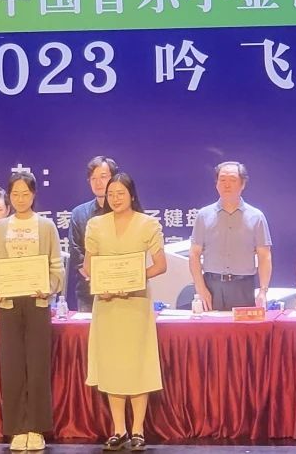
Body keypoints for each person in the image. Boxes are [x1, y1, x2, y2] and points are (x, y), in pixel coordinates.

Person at [84, 173, 166, 451]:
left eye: (120, 193)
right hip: (107, 305)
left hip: (136, 304)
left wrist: (134, 280)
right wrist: (101, 285)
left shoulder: (148, 224)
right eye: (111, 194)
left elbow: (160, 265)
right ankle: (118, 429)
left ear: (131, 194)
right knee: (112, 366)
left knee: (137, 364)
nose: (115, 199)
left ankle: (138, 430)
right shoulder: (96, 224)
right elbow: (89, 265)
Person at [0, 172, 64, 451]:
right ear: (9, 197)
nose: (20, 199)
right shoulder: (0, 228)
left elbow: (56, 266)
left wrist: (48, 288)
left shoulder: (46, 226)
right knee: (13, 366)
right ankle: (17, 428)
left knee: (38, 366)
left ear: (33, 195)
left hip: (37, 302)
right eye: (15, 194)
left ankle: (37, 428)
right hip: (9, 303)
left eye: (25, 194)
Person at [187, 161, 272, 311]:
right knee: (211, 326)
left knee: (242, 326)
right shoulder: (204, 215)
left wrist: (263, 291)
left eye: (232, 180)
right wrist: (201, 289)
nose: (226, 185)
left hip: (243, 286)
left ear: (242, 184)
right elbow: (194, 254)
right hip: (211, 285)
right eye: (222, 180)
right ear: (216, 184)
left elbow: (264, 256)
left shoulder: (256, 217)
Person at [68, 156, 119, 311]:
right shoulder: (79, 214)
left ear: (114, 178)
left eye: (103, 177)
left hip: (123, 290)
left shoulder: (125, 213)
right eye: (93, 178)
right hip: (89, 294)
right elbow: (77, 255)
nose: (98, 182)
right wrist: (97, 280)